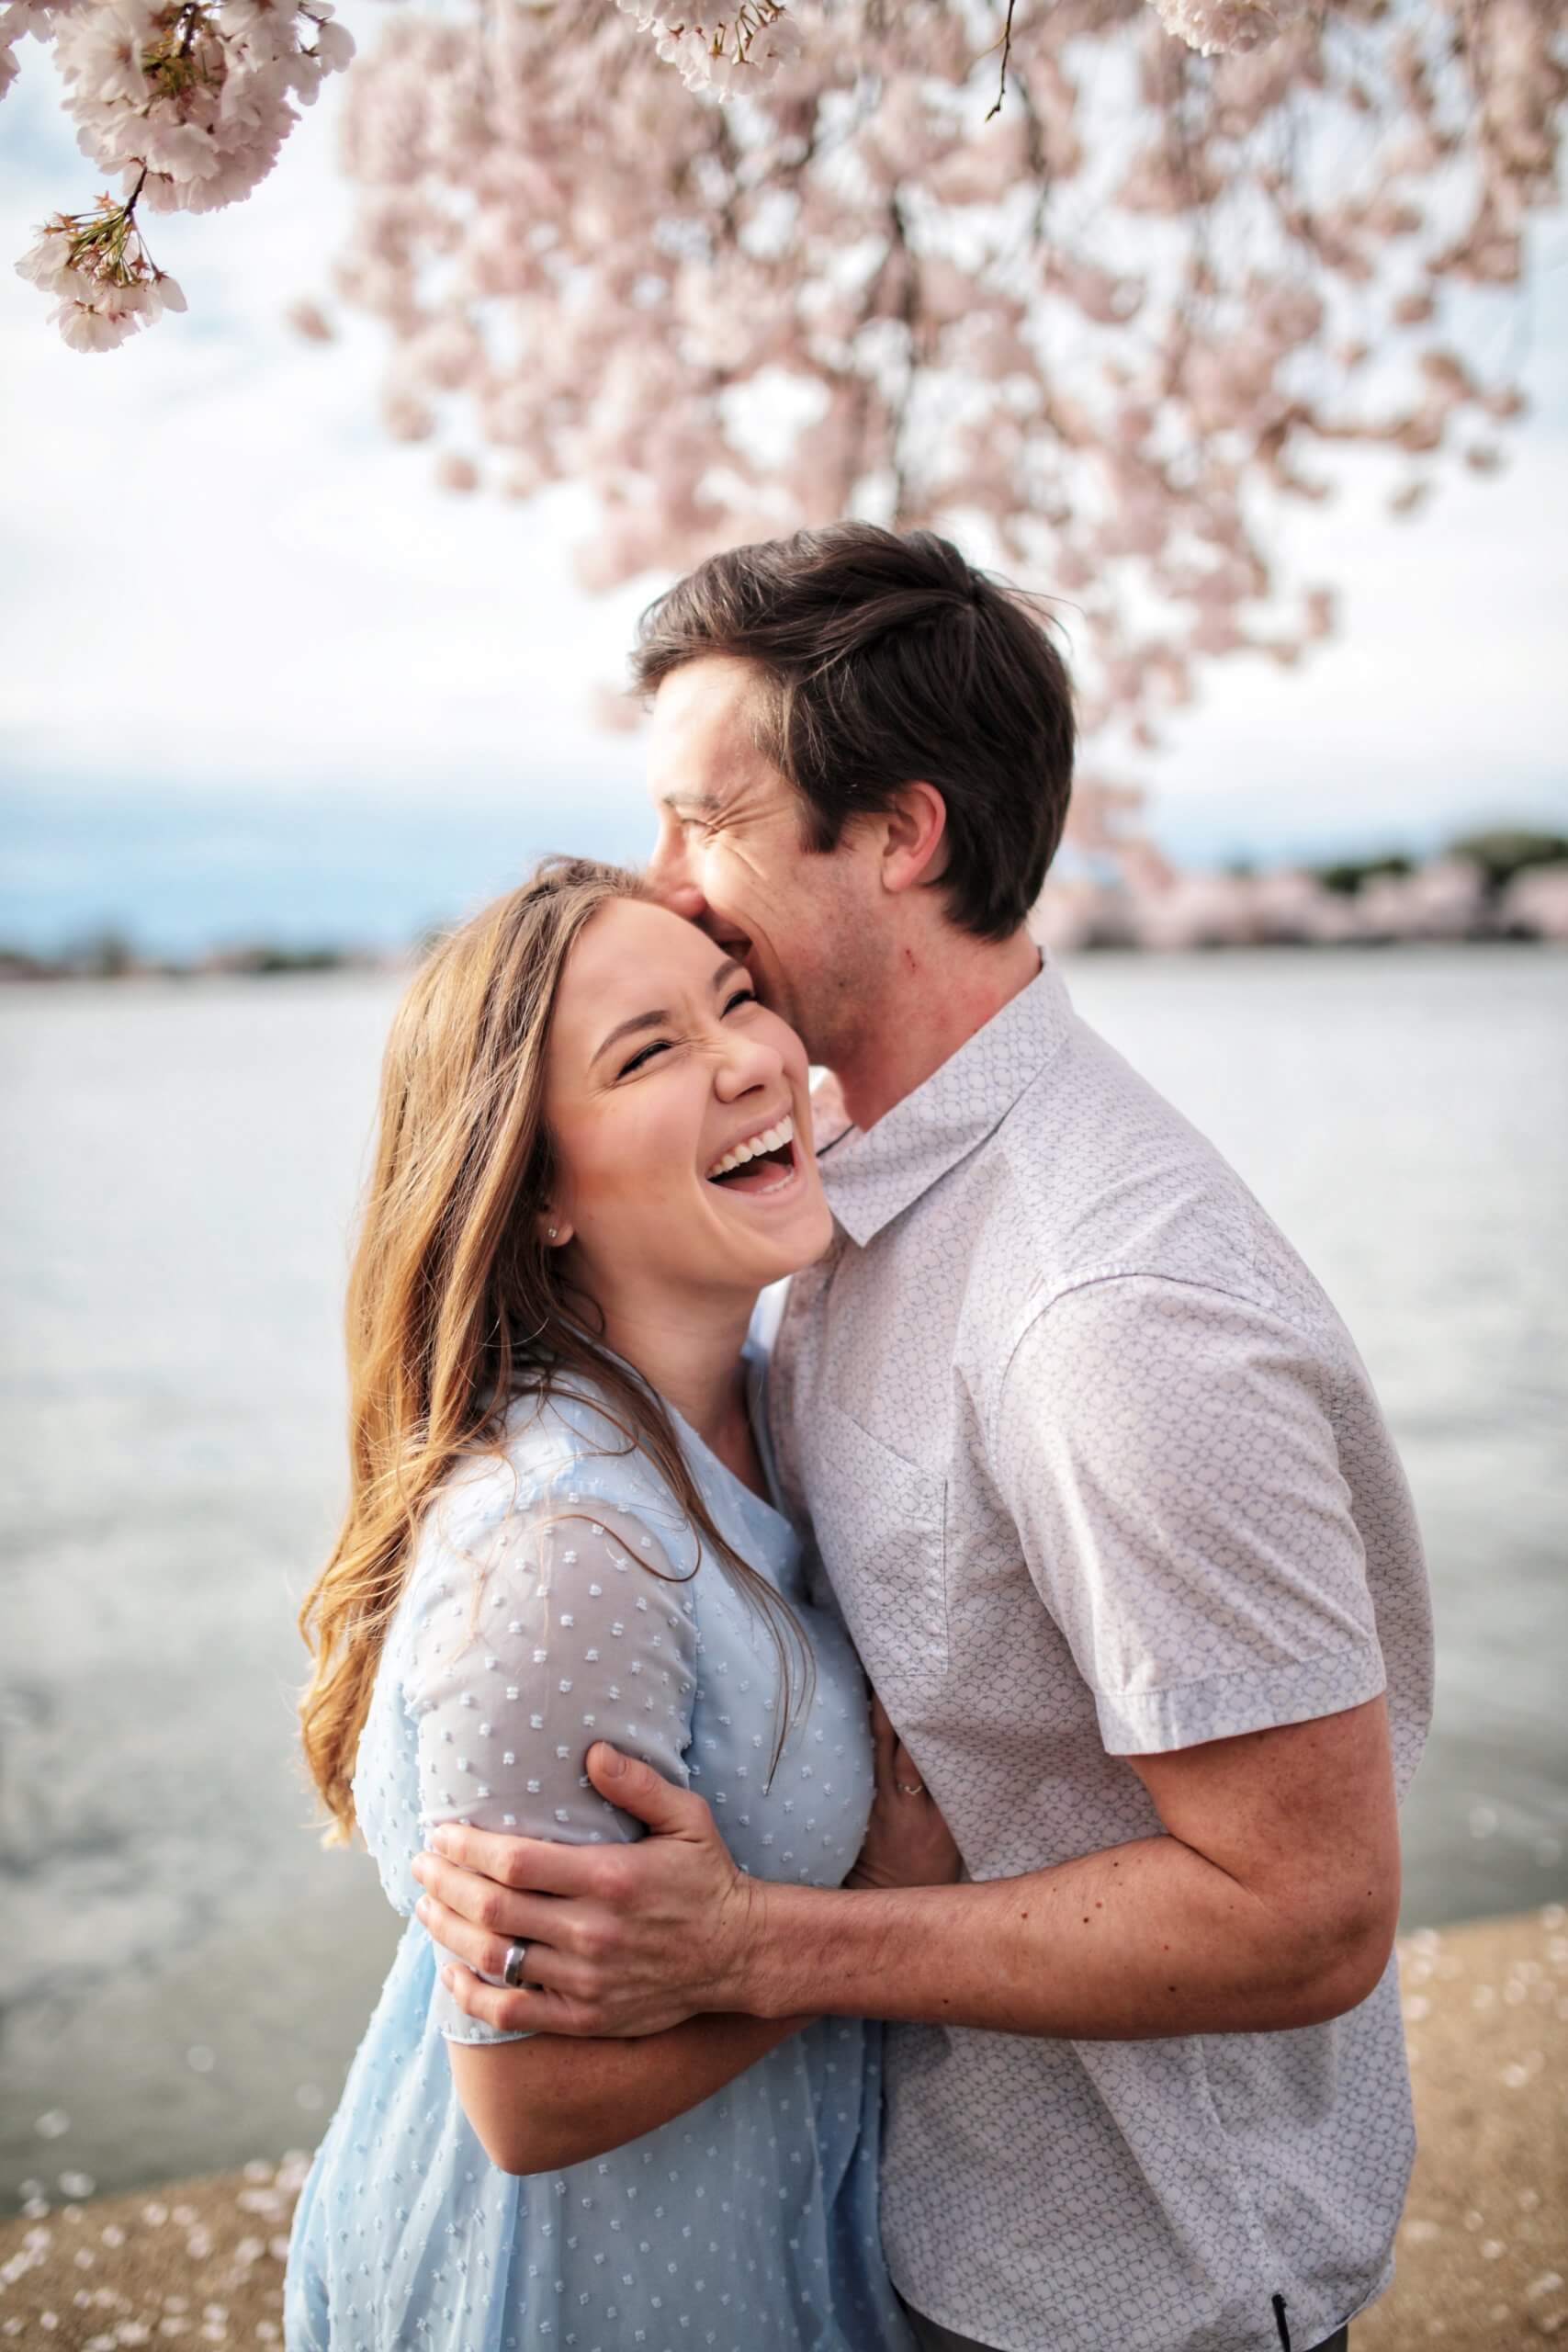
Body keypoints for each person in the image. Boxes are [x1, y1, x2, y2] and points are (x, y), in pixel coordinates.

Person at [411, 524, 1437, 2352]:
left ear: (896, 831)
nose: (667, 887)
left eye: (702, 823)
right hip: (900, 2236)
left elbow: (1302, 1913)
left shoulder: (1107, 1314)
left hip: (1120, 2288)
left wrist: (758, 1943)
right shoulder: (830, 1201)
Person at [284, 858, 956, 2352]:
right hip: (566, 2296)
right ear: (538, 1195)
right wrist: (876, 1913)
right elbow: (526, 2099)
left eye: (735, 1002)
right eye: (648, 1052)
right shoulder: (565, 1539)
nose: (747, 1060)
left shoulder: (770, 1401)